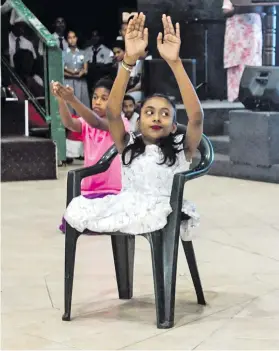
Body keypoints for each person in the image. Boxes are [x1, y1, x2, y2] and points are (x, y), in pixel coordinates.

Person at [64, 13, 203, 241]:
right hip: (127, 204)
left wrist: (175, 64)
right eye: (149, 112)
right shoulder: (128, 145)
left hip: (162, 207)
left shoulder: (181, 147)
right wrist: (127, 61)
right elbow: (112, 112)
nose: (156, 118)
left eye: (165, 114)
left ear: (173, 127)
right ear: (138, 121)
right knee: (80, 209)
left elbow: (196, 118)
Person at [52, 78, 130, 233]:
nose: (97, 102)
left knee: (105, 223)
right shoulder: (87, 121)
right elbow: (69, 124)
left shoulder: (121, 123)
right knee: (71, 224)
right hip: (88, 189)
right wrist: (61, 101)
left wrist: (72, 100)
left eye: (104, 98)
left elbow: (96, 123)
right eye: (95, 97)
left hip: (113, 190)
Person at [222, 0, 262, 102]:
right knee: (236, 62)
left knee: (253, 61)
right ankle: (236, 96)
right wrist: (240, 6)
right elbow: (226, 10)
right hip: (237, 25)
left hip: (253, 24)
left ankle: (253, 94)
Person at [63, 30, 90, 110]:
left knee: (82, 107)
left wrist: (81, 73)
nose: (72, 40)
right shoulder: (63, 54)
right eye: (69, 38)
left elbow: (86, 70)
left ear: (77, 38)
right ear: (66, 40)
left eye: (74, 37)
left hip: (81, 83)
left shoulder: (83, 53)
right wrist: (73, 74)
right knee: (69, 107)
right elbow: (61, 70)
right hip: (68, 83)